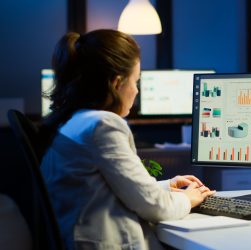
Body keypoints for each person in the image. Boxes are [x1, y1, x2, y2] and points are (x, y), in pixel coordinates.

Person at [39, 29, 215, 250]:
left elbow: (111, 188)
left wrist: (167, 187)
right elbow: (154, 206)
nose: (137, 90)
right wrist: (189, 198)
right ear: (116, 83)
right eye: (136, 81)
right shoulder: (103, 125)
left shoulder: (73, 121)